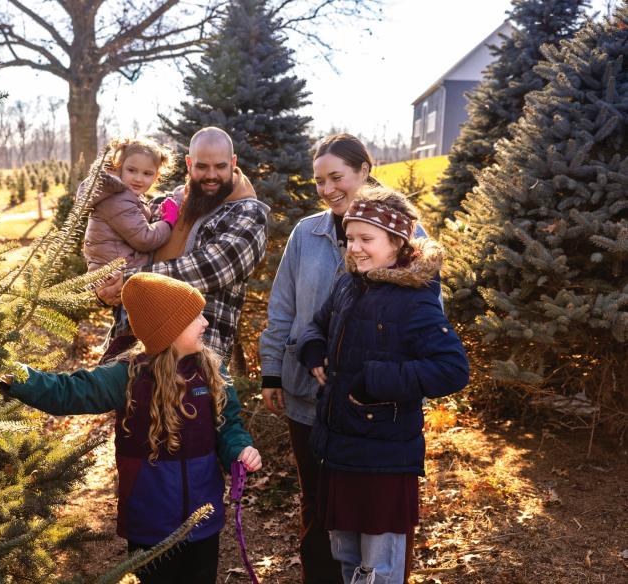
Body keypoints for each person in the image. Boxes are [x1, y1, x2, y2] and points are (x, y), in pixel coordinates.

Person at [2, 272, 262, 584]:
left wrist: (240, 450)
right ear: (168, 329)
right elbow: (68, 392)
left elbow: (229, 424)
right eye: (194, 317)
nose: (205, 323)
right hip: (150, 520)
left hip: (203, 519)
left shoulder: (211, 370)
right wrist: (13, 375)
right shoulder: (128, 375)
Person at [297, 187, 469, 584]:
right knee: (345, 556)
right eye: (350, 238)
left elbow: (452, 369)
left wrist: (374, 380)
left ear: (397, 243)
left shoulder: (414, 300)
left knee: (379, 569)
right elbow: (316, 327)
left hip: (384, 460)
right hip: (340, 451)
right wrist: (313, 351)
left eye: (366, 239)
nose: (354, 248)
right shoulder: (348, 285)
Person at [259, 133, 404, 584]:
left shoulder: (405, 234)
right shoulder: (307, 232)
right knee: (317, 504)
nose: (326, 190)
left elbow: (423, 324)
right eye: (319, 181)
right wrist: (271, 371)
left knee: (376, 511)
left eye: (336, 177)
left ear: (365, 171)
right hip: (308, 395)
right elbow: (283, 306)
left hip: (372, 407)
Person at [97, 127, 269, 362]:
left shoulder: (248, 212)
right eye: (201, 167)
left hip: (196, 361)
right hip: (131, 350)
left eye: (220, 166)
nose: (211, 175)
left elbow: (213, 267)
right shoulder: (164, 205)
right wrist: (107, 285)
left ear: (233, 162)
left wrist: (129, 281)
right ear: (189, 163)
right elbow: (123, 252)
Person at [80, 137, 180, 336]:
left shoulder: (126, 196)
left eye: (147, 173)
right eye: (132, 170)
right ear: (119, 167)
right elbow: (144, 238)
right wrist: (168, 221)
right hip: (116, 277)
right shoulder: (118, 198)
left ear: (156, 176)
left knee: (130, 333)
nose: (138, 178)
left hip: (118, 273)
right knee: (131, 338)